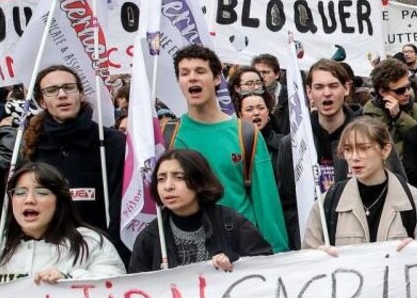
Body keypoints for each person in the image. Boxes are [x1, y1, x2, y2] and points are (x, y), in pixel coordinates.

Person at [0, 65, 129, 260]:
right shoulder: (29, 147)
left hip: (100, 256)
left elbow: (122, 210)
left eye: (69, 87)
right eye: (52, 90)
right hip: (45, 258)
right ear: (42, 100)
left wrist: (114, 256)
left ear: (80, 93)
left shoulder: (111, 143)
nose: (62, 94)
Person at [167, 45, 289, 252]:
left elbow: (267, 207)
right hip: (191, 253)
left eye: (200, 71)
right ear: (179, 81)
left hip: (242, 250)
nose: (192, 78)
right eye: (184, 73)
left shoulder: (247, 134)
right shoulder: (167, 135)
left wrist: (277, 257)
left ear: (216, 78)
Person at [0, 162, 125, 288]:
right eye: (20, 193)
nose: (29, 200)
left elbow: (114, 290)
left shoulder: (90, 242)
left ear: (59, 200)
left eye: (41, 192)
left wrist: (70, 280)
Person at [128, 149, 274, 273]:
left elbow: (265, 269)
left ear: (199, 181)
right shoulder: (150, 237)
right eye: (161, 179)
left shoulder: (230, 222)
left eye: (179, 177)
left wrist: (234, 265)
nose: (168, 186)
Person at [303, 118, 417, 249]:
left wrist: (414, 254)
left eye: (364, 148)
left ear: (385, 150)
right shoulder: (328, 203)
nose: (354, 157)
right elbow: (309, 261)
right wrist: (320, 256)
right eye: (348, 149)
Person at [237, 89, 299, 249]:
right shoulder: (237, 150)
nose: (256, 113)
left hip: (285, 220)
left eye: (261, 108)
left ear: (268, 112)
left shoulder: (285, 145)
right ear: (240, 115)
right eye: (249, 110)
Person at [306, 59, 365, 189]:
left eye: (333, 86)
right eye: (319, 87)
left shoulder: (371, 135)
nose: (327, 93)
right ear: (309, 92)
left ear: (346, 88)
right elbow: (288, 202)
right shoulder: (295, 144)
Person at [364, 58, 417, 157]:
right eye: (400, 90)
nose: (407, 93)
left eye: (408, 86)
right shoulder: (367, 118)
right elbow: (378, 154)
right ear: (383, 92)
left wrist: (400, 117)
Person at [252, 53, 290, 136]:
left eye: (265, 72)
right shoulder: (247, 97)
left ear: (277, 75)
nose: (261, 77)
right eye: (257, 73)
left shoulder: (290, 97)